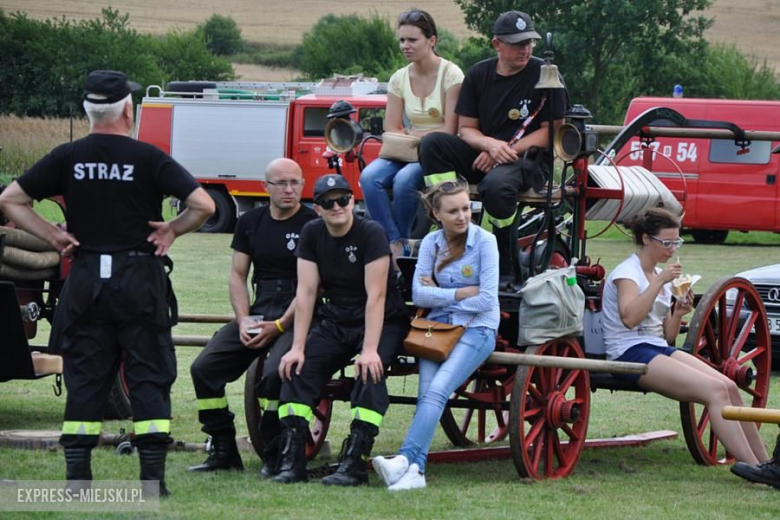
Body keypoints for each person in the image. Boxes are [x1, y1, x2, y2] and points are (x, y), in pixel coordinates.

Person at [0, 70, 215, 496]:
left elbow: (10, 199)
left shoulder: (68, 156)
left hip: (85, 281)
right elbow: (203, 204)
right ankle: (152, 480)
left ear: (88, 111)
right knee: (149, 376)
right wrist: (172, 229)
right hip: (139, 280)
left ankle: (77, 480)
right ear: (128, 110)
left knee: (84, 377)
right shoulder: (148, 158)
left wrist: (53, 235)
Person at [601, 208, 769, 467]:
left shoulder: (659, 276)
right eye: (666, 242)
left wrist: (678, 311)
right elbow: (629, 318)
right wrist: (660, 284)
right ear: (646, 239)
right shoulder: (628, 274)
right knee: (714, 391)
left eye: (676, 242)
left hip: (656, 347)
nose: (671, 249)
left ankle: (766, 463)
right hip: (629, 352)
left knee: (730, 387)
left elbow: (667, 335)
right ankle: (752, 466)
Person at [273, 174, 409, 486]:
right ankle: (292, 459)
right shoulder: (311, 232)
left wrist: (370, 350)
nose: (336, 206)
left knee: (369, 372)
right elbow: (306, 294)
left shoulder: (371, 232)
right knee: (298, 369)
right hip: (336, 319)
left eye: (342, 199)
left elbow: (376, 295)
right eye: (327, 202)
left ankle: (355, 461)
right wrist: (297, 347)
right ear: (317, 208)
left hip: (382, 319)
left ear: (353, 201)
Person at [188, 158, 316, 476]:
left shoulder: (313, 225)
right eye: (281, 183)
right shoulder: (250, 222)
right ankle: (223, 449)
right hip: (261, 307)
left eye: (295, 183)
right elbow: (237, 274)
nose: (289, 189)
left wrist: (280, 326)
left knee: (275, 374)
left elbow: (310, 288)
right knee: (204, 369)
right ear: (265, 187)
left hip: (300, 313)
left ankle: (275, 452)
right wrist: (244, 319)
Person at [419, 10, 567, 280]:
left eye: (530, 42)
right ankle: (453, 229)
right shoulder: (479, 74)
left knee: (496, 187)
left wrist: (501, 152)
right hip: (483, 156)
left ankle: (505, 256)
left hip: (527, 161)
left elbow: (552, 133)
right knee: (432, 144)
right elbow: (466, 129)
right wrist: (490, 145)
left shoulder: (546, 75)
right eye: (517, 43)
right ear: (497, 44)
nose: (526, 49)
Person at [373, 179, 499, 491]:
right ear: (436, 214)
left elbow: (486, 300)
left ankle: (404, 459)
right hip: (438, 330)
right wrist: (457, 294)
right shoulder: (430, 243)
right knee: (426, 393)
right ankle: (416, 472)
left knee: (438, 390)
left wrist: (440, 293)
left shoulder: (486, 242)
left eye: (467, 208)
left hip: (478, 328)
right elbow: (419, 294)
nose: (462, 216)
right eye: (453, 211)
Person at [359, 9, 463, 266]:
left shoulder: (452, 75)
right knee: (369, 178)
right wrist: (412, 135)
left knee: (406, 180)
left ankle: (402, 242)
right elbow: (391, 127)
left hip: (436, 152)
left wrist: (415, 134)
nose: (405, 46)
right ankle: (395, 242)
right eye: (402, 40)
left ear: (432, 40)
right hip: (405, 148)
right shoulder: (399, 78)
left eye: (412, 40)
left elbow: (450, 129)